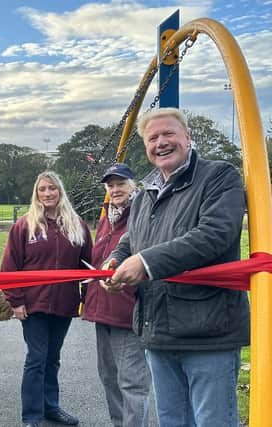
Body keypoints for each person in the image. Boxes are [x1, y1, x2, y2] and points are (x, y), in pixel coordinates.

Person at [106, 108, 250, 426]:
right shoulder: (145, 194)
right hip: (158, 330)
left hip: (208, 331)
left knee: (213, 421)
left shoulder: (219, 176)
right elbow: (133, 238)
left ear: (187, 136)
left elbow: (214, 234)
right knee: (173, 421)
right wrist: (116, 258)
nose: (161, 142)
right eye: (152, 137)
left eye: (168, 133)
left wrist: (144, 262)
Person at [1, 171, 93, 427]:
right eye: (42, 189)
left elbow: (88, 267)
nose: (47, 193)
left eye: (52, 188)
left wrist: (87, 300)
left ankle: (51, 406)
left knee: (53, 357)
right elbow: (9, 266)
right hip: (33, 305)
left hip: (63, 303)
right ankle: (31, 415)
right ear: (36, 193)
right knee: (36, 358)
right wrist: (16, 301)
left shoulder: (77, 226)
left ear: (60, 191)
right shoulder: (25, 226)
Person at [81, 163, 151, 427]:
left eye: (121, 183)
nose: (115, 189)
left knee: (132, 382)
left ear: (133, 185)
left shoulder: (142, 214)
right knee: (109, 378)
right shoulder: (106, 219)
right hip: (102, 311)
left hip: (129, 311)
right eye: (110, 185)